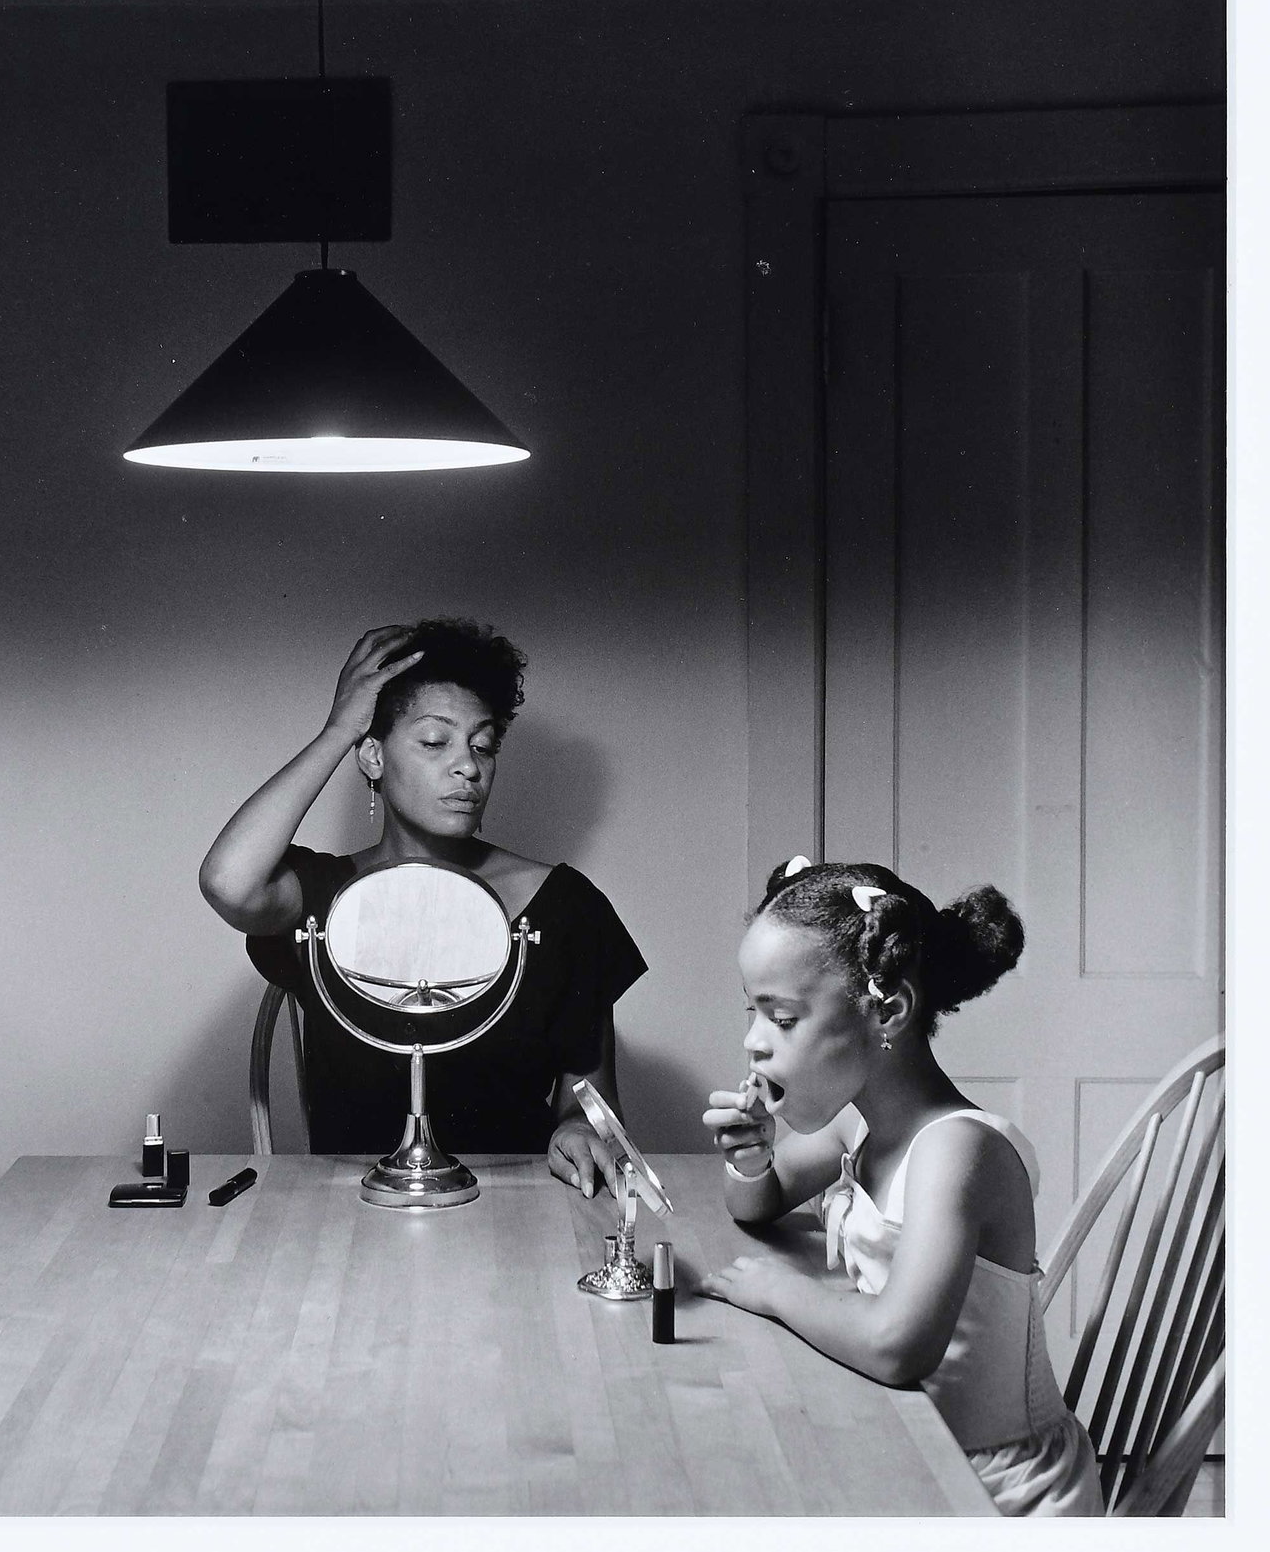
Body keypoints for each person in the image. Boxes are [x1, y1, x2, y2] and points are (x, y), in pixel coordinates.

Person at [697, 856, 1102, 1517]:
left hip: (995, 1488)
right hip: (907, 1435)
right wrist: (750, 1158)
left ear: (888, 1011)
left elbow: (896, 1344)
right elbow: (759, 1203)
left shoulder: (957, 1150)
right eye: (752, 1011)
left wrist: (776, 1290)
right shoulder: (859, 1121)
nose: (752, 1040)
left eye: (782, 1017)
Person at [199, 619, 646, 1196]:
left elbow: (591, 1103)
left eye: (484, 745)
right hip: (350, 1213)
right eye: (435, 742)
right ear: (373, 758)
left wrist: (579, 1132)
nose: (468, 767)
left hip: (511, 1208)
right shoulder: (326, 897)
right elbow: (228, 883)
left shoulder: (562, 905)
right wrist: (338, 730)